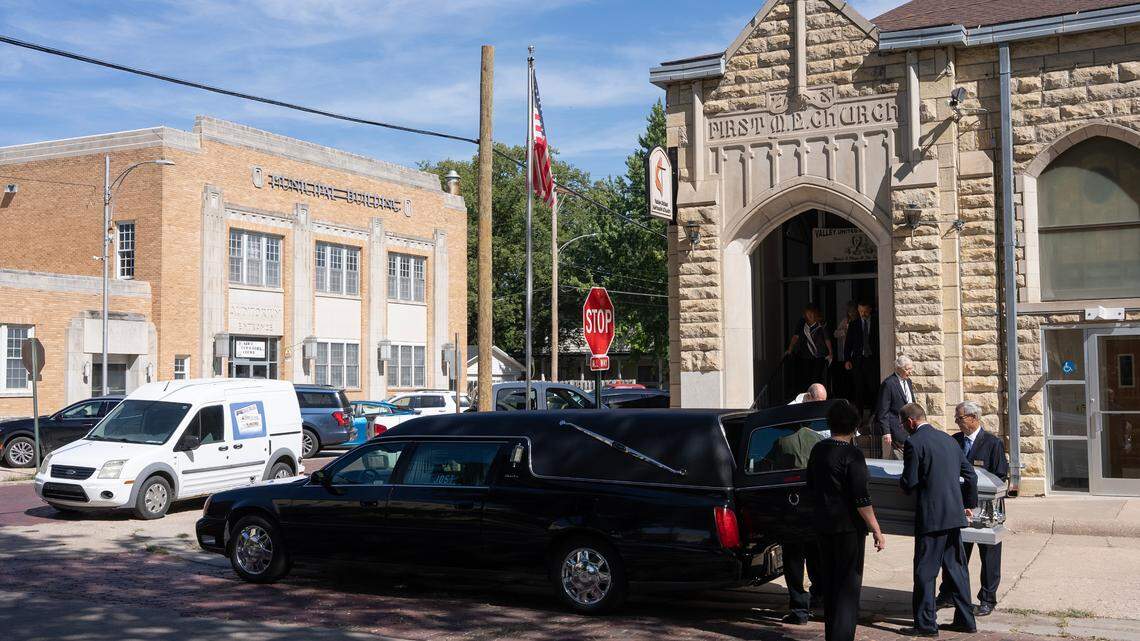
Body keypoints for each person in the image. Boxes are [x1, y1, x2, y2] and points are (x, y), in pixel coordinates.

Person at [807, 399, 886, 641]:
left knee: (830, 585)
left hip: (822, 525)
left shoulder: (818, 450)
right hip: (848, 529)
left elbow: (810, 485)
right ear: (854, 426)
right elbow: (861, 498)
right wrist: (876, 529)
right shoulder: (852, 454)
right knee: (848, 588)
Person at [898, 403, 978, 636]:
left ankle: (925, 624)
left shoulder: (914, 443)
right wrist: (967, 504)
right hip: (954, 515)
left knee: (925, 571)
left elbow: (909, 482)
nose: (905, 429)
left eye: (904, 425)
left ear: (910, 422)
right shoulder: (949, 440)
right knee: (957, 570)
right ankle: (966, 620)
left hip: (931, 518)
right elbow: (970, 475)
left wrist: (902, 483)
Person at [937, 401, 1009, 617]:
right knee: (955, 554)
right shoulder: (954, 441)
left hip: (986, 510)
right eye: (956, 418)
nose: (957, 422)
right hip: (958, 508)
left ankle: (987, 598)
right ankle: (949, 593)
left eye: (960, 418)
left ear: (974, 418)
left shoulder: (992, 443)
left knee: (989, 556)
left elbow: (1000, 475)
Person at [774, 417, 825, 625]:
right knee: (815, 555)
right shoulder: (819, 440)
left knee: (794, 561)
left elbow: (773, 470)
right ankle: (819, 595)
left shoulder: (783, 442)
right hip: (814, 507)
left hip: (792, 508)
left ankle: (799, 606)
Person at [785, 304, 833, 395]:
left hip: (819, 355)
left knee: (816, 378)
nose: (810, 315)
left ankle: (817, 397)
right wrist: (790, 349)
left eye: (812, 313)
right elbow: (796, 337)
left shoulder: (821, 323)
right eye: (808, 313)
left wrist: (830, 352)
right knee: (806, 378)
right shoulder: (802, 323)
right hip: (806, 355)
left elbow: (827, 338)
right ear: (805, 314)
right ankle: (808, 397)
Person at [875, 356, 916, 460]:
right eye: (907, 369)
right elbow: (883, 410)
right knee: (899, 460)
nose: (910, 372)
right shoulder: (888, 384)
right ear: (898, 368)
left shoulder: (908, 381)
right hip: (896, 429)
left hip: (911, 428)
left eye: (911, 368)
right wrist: (886, 432)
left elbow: (911, 403)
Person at [844, 301, 878, 414]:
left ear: (870, 310)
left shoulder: (877, 322)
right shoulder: (854, 324)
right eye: (861, 311)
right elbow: (848, 344)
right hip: (858, 361)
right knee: (859, 390)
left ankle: (873, 416)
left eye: (865, 311)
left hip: (873, 360)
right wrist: (847, 359)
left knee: (874, 388)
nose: (863, 314)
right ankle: (859, 417)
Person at [833, 303, 858, 401]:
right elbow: (835, 333)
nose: (851, 313)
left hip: (856, 353)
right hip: (847, 352)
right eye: (849, 312)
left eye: (853, 311)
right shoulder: (846, 321)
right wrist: (844, 331)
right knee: (848, 377)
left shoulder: (859, 321)